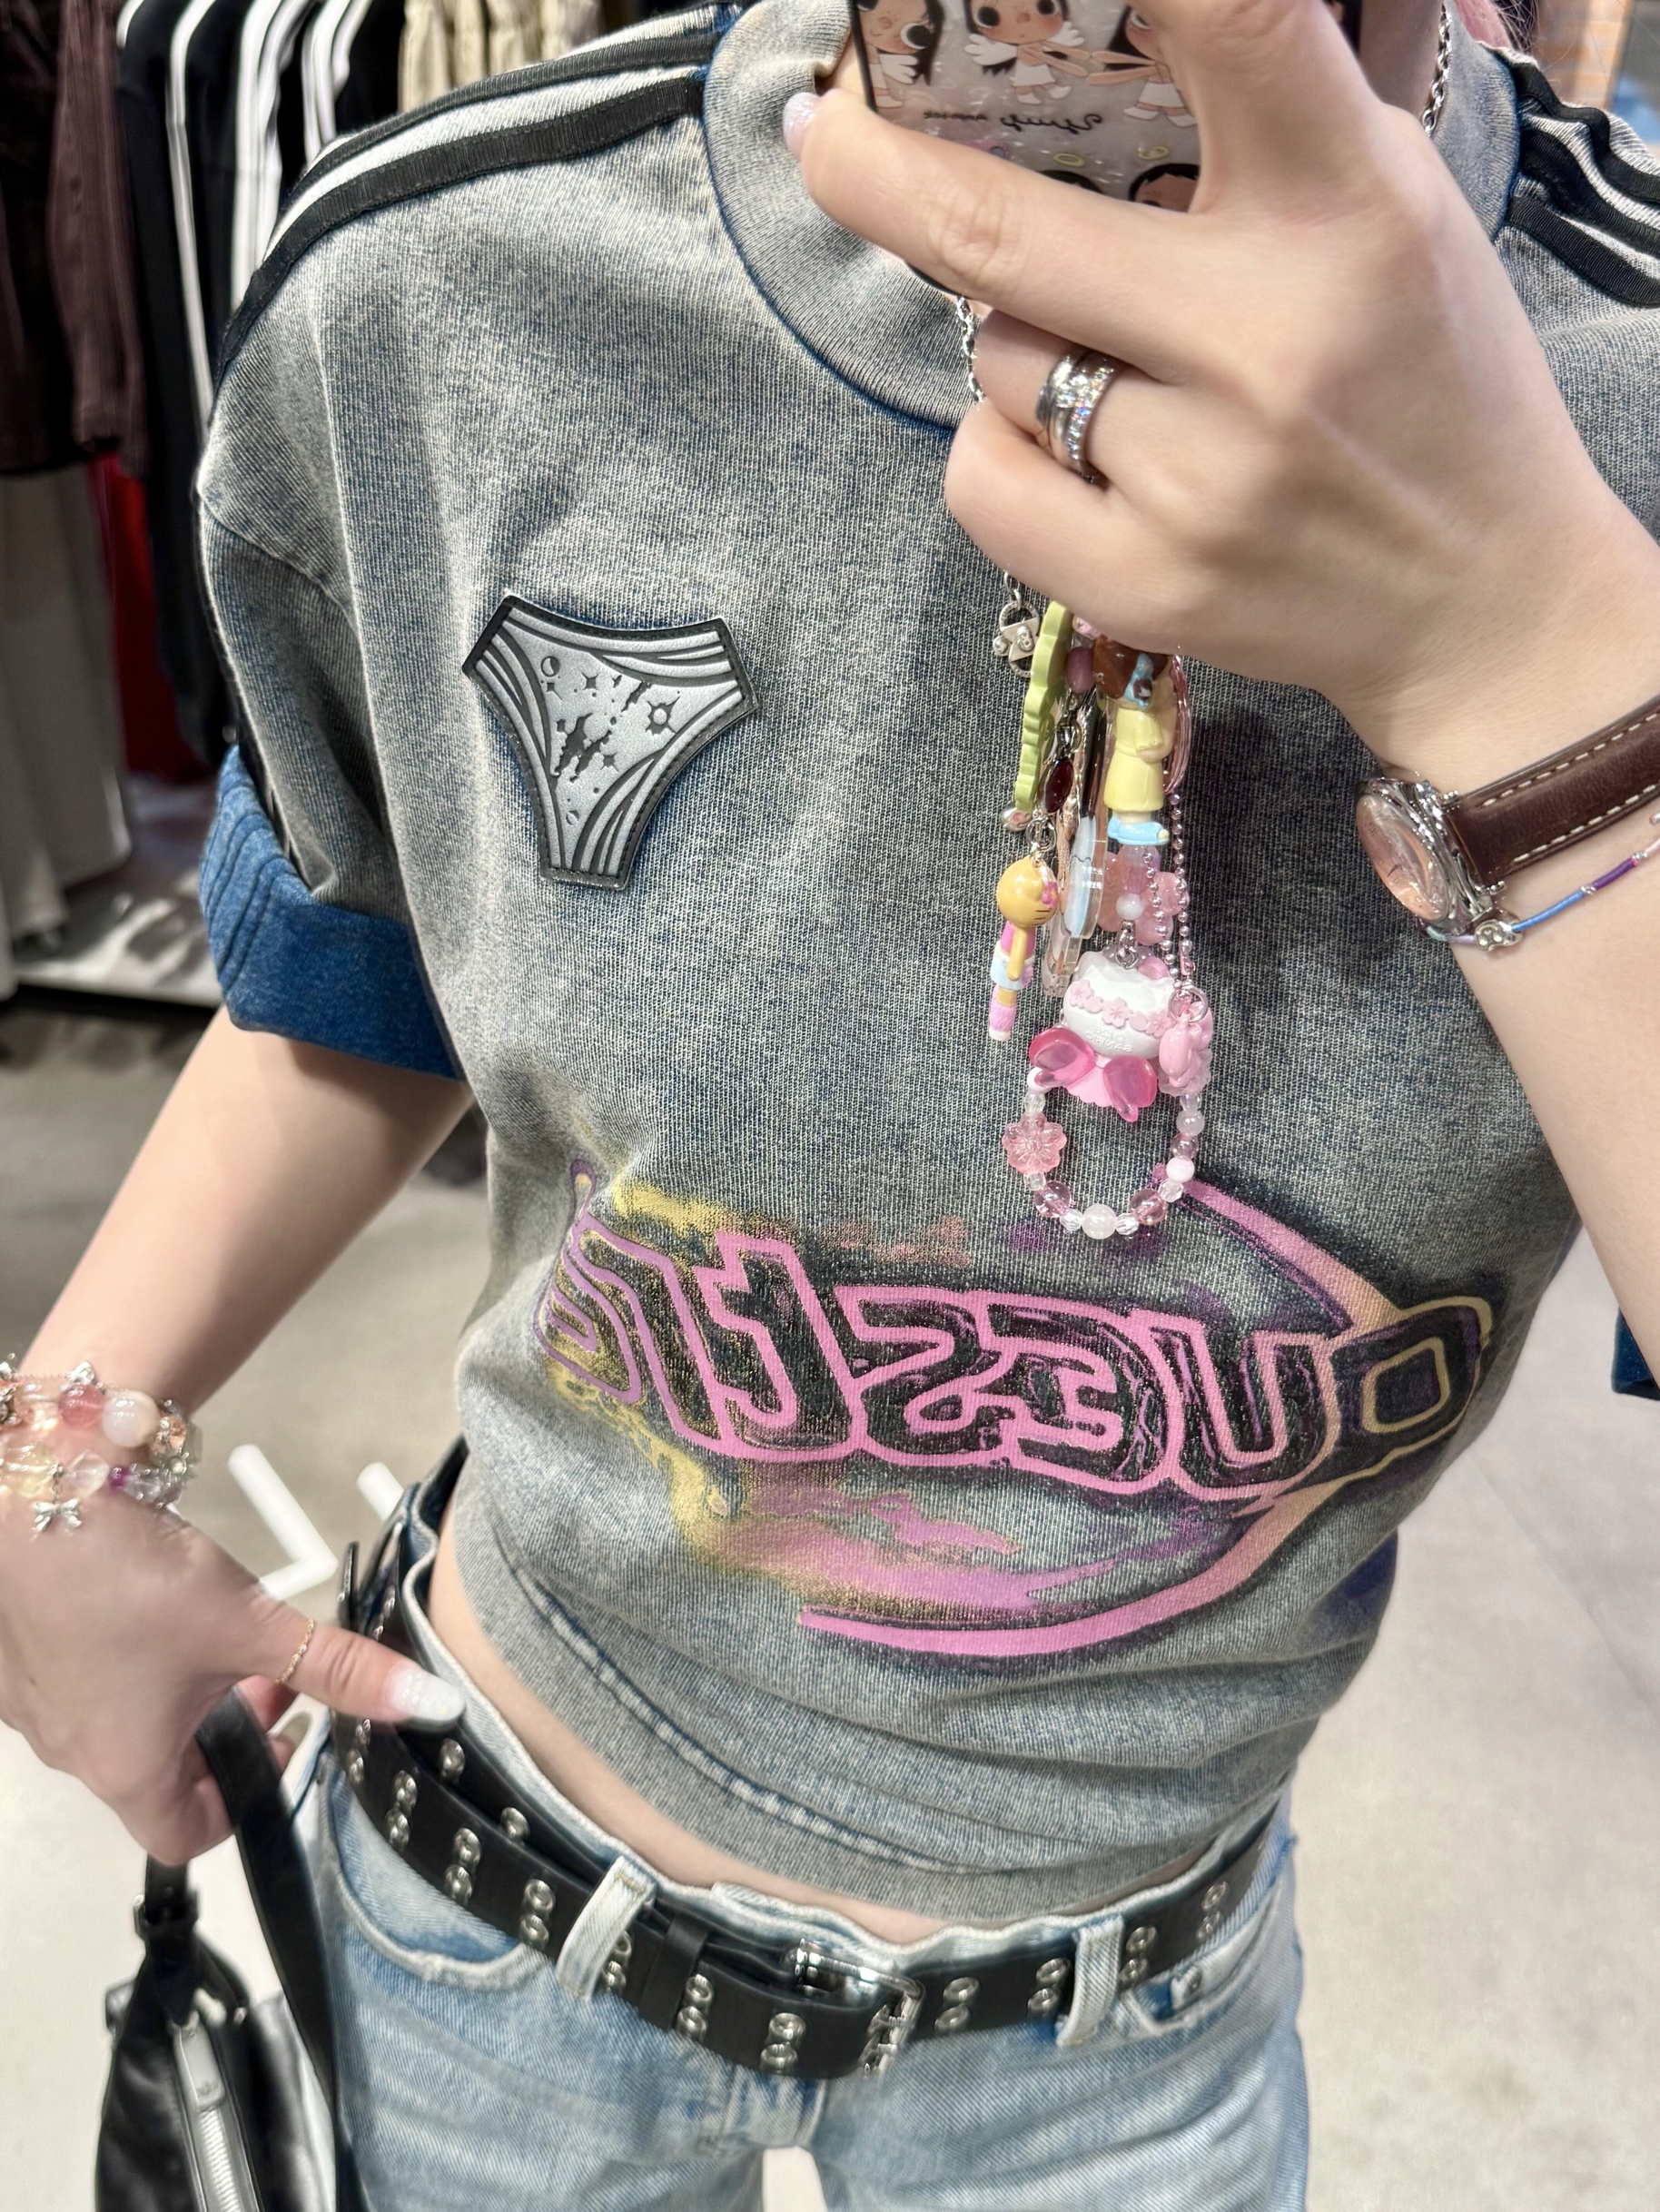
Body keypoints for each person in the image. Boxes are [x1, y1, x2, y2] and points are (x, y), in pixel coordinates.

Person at [5, 0, 1658, 2203]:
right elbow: (368, 948)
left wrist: (1523, 651)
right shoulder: (446, 278)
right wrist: (49, 1468)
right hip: (478, 1896)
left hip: (1124, 2036)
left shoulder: (1624, 390)